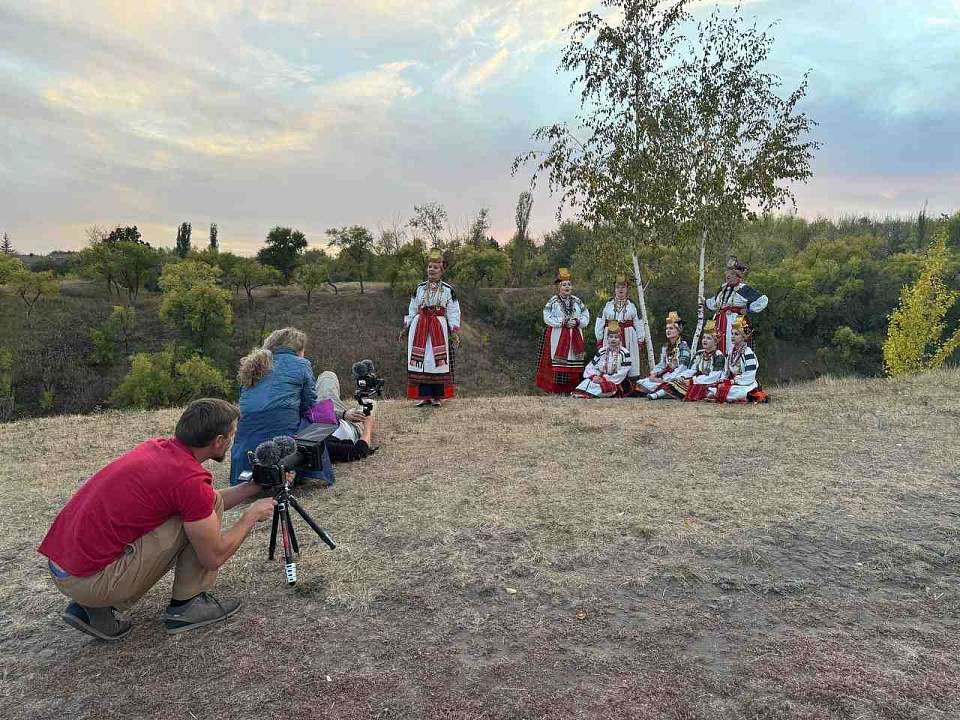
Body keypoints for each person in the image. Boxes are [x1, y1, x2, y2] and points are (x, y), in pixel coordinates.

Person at [38, 399, 277, 640]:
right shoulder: (189, 480)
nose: (233, 439)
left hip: (65, 567)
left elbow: (206, 501)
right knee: (195, 519)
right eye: (232, 434)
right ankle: (188, 604)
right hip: (90, 581)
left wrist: (252, 487)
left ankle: (91, 611)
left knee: (202, 506)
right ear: (218, 441)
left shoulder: (159, 449)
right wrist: (251, 516)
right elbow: (213, 556)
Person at [229, 328, 317, 486]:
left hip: (246, 455)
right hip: (284, 448)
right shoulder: (302, 364)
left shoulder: (253, 366)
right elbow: (309, 405)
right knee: (315, 422)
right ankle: (301, 469)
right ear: (298, 350)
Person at [402, 249, 462, 407]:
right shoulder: (419, 288)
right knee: (421, 361)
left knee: (437, 361)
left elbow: (453, 311)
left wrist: (454, 331)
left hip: (438, 329)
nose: (432, 270)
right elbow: (412, 308)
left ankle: (438, 397)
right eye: (429, 267)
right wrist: (406, 327)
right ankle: (424, 396)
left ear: (441, 270)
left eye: (435, 267)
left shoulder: (448, 290)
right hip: (420, 327)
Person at [535, 268, 590, 394]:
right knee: (558, 363)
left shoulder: (577, 301)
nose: (567, 287)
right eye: (564, 285)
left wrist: (577, 322)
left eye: (569, 284)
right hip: (558, 335)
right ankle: (557, 390)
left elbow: (586, 314)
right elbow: (546, 317)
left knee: (573, 361)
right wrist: (562, 322)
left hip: (575, 334)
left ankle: (572, 389)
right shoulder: (553, 301)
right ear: (559, 287)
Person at [703, 256, 769, 354]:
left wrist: (748, 309)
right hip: (719, 321)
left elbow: (763, 300)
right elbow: (714, 303)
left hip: (736, 321)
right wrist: (704, 302)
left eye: (732, 274)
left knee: (736, 345)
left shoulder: (744, 289)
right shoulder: (723, 289)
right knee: (715, 344)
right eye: (727, 273)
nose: (728, 276)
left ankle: (736, 364)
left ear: (738, 276)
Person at [593, 275, 646, 391]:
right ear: (614, 289)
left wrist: (640, 339)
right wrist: (599, 338)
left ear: (627, 289)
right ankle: (610, 387)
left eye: (623, 287)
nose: (620, 289)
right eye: (618, 287)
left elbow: (639, 322)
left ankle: (630, 389)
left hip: (629, 336)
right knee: (611, 360)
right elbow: (600, 322)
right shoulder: (607, 305)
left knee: (629, 359)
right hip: (610, 335)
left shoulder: (632, 305)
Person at [652, 319, 726, 401]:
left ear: (715, 341)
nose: (704, 340)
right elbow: (692, 370)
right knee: (677, 382)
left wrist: (692, 380)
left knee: (686, 386)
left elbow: (715, 376)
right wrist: (682, 376)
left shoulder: (718, 355)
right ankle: (658, 394)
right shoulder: (699, 354)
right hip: (697, 381)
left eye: (708, 338)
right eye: (704, 337)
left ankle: (658, 395)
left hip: (708, 382)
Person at [314, 371, 377, 462]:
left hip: (322, 414)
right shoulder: (324, 448)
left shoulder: (301, 438)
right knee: (369, 403)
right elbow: (359, 452)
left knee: (327, 375)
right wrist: (368, 426)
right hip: (349, 426)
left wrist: (343, 414)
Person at [708, 316, 769, 403]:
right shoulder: (730, 351)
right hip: (733, 383)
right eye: (732, 334)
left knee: (739, 392)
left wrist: (733, 381)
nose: (733, 337)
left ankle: (750, 395)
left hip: (746, 384)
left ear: (744, 337)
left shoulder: (748, 353)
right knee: (714, 388)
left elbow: (750, 375)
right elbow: (726, 371)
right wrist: (722, 380)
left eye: (736, 334)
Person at [635, 311, 692, 397]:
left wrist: (663, 380)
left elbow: (682, 368)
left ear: (678, 331)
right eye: (667, 328)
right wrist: (654, 373)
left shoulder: (683, 348)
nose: (668, 331)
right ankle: (661, 390)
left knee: (669, 385)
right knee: (640, 383)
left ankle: (662, 391)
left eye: (671, 328)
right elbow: (662, 364)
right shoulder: (666, 347)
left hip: (677, 377)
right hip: (664, 376)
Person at [571, 321, 632, 398]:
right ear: (607, 338)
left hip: (615, 381)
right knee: (587, 382)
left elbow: (623, 372)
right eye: (611, 337)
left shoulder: (625, 353)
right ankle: (583, 393)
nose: (613, 339)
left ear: (620, 339)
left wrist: (604, 379)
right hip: (599, 378)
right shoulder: (602, 351)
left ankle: (587, 394)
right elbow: (591, 366)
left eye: (616, 337)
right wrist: (594, 376)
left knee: (603, 387)